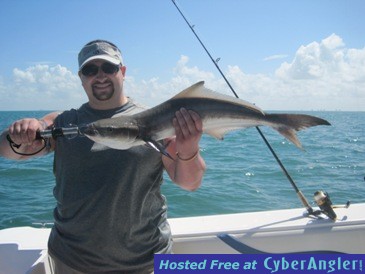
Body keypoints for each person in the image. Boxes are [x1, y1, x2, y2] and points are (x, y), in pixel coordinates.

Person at [0, 39, 206, 273]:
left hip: (146, 261)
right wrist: (21, 131)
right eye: (90, 70)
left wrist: (189, 148)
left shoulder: (155, 121)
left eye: (109, 68)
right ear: (81, 77)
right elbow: (8, 151)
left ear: (123, 71)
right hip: (71, 261)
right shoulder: (65, 122)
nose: (100, 76)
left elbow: (190, 183)